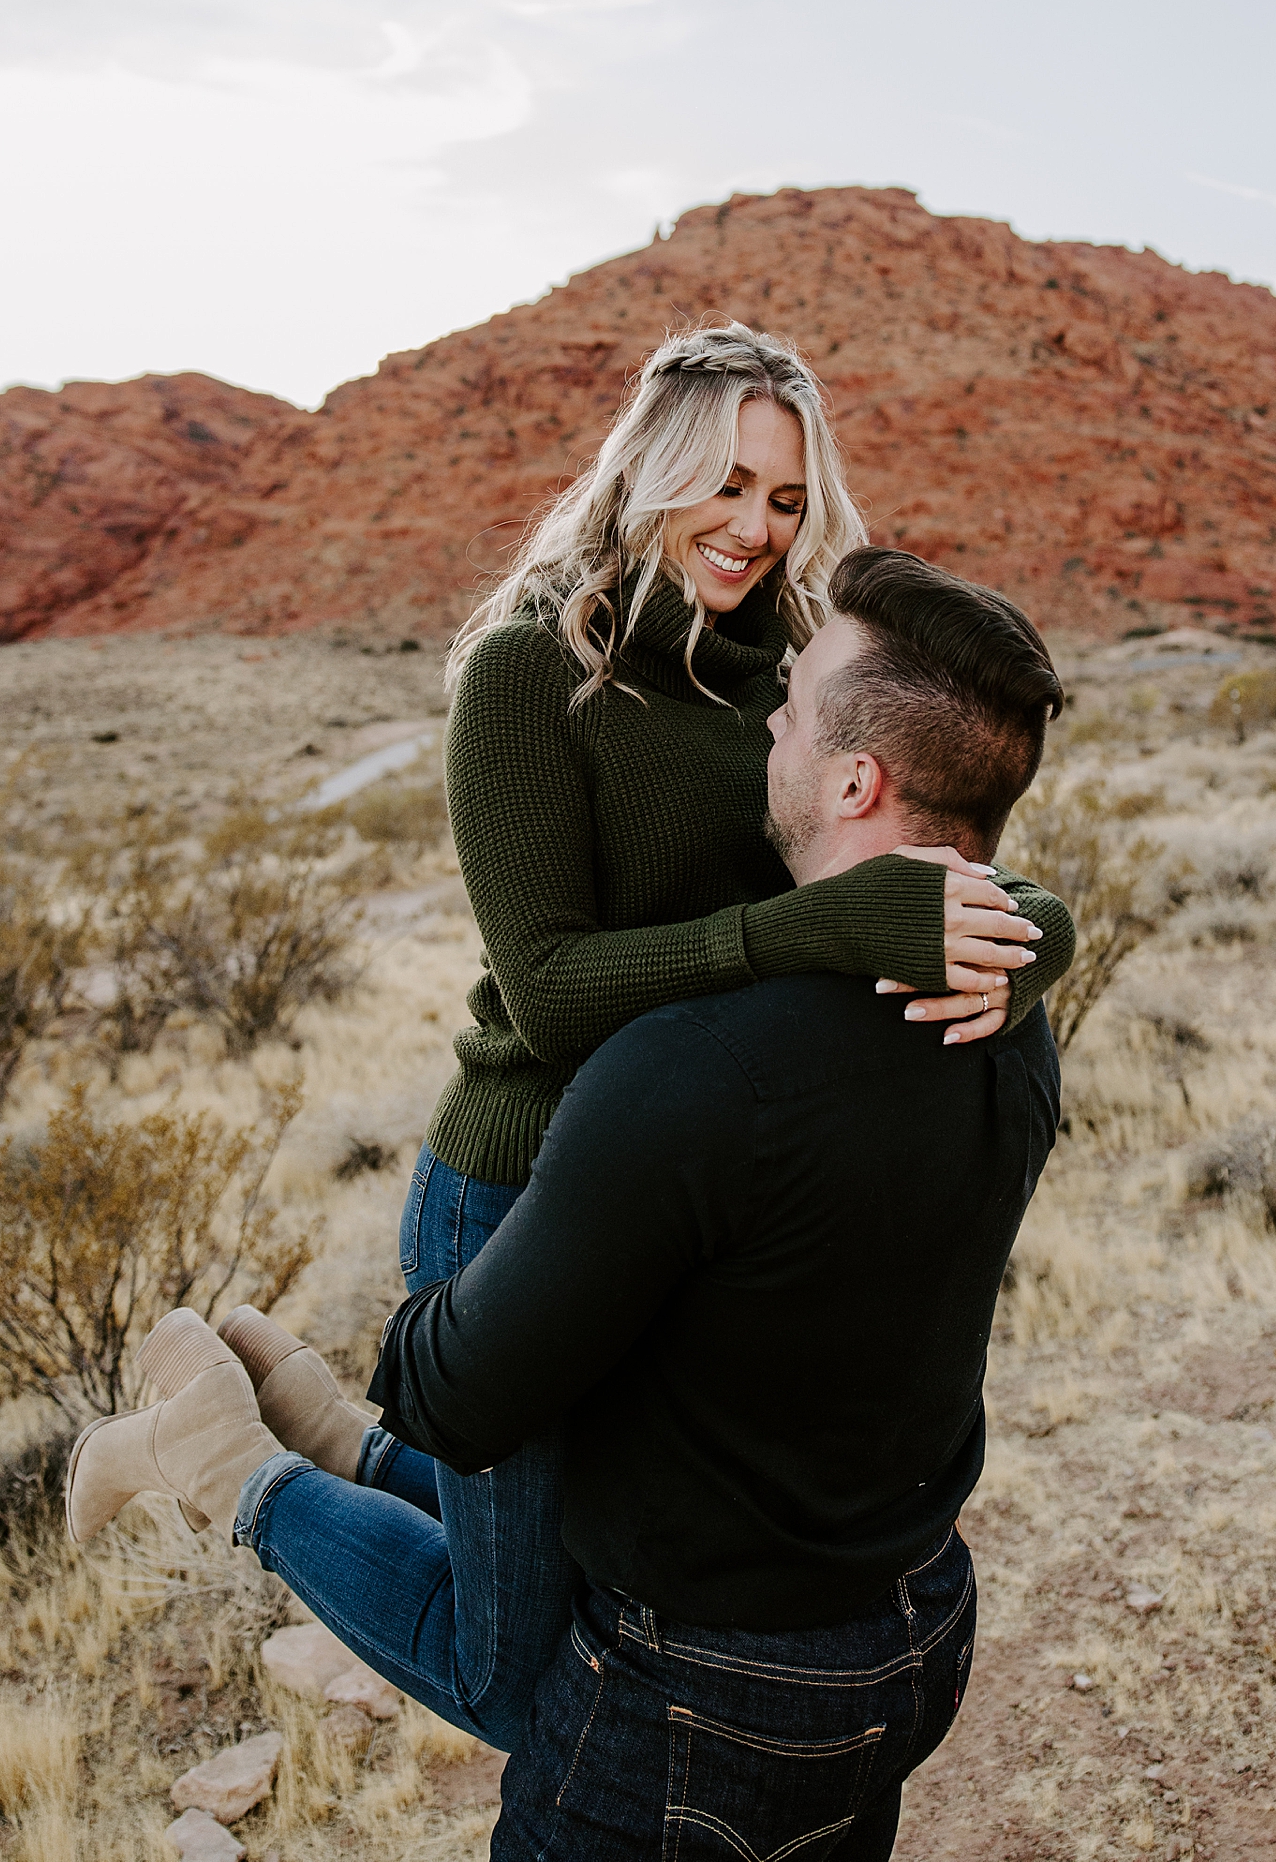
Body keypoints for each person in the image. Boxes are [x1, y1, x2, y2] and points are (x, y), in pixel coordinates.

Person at [65, 329, 1074, 1752]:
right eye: (725, 484)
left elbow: (924, 831)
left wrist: (1040, 937)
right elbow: (549, 991)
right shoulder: (529, 673)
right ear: (648, 467)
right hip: (519, 1187)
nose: (754, 527)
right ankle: (229, 1462)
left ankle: (333, 1430)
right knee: (514, 1672)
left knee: (595, 1581)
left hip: (683, 1193)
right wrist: (814, 936)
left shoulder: (786, 668)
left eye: (786, 499)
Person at [368, 545, 1067, 1858]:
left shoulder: (697, 1075)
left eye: (790, 708)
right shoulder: (1012, 1020)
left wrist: (409, 1327)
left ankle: (245, 1474)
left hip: (702, 1703)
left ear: (856, 780)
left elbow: (458, 1396)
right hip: (910, 1632)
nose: (771, 725)